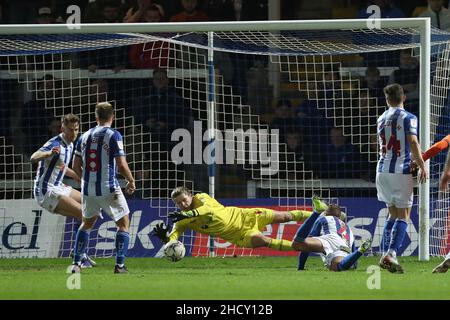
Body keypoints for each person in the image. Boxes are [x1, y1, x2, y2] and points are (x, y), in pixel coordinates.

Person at [70, 102, 136, 274]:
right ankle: (119, 266)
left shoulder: (84, 136)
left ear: (96, 117)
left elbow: (75, 165)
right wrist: (131, 180)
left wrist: (85, 180)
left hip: (88, 189)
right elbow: (121, 164)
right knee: (123, 223)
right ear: (113, 116)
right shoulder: (114, 135)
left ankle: (76, 263)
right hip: (109, 187)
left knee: (86, 224)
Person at [152, 186, 325, 251]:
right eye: (178, 203)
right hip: (239, 236)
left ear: (190, 196)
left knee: (285, 216)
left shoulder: (202, 198)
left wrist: (187, 214)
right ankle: (305, 247)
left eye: (184, 200)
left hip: (246, 216)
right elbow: (173, 239)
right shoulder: (181, 219)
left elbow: (207, 211)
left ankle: (323, 216)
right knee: (263, 240)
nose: (182, 204)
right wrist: (166, 240)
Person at [31, 113, 95, 267]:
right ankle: (79, 255)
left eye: (76, 129)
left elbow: (60, 165)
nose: (73, 133)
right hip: (46, 190)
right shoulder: (55, 143)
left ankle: (78, 251)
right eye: (70, 129)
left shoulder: (71, 144)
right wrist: (48, 153)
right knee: (83, 214)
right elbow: (34, 157)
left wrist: (75, 175)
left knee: (91, 206)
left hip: (59, 186)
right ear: (62, 128)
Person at [376, 83, 427, 274]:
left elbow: (389, 144)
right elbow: (412, 142)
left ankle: (384, 252)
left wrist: (415, 155)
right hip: (400, 171)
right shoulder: (409, 117)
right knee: (404, 215)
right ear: (404, 97)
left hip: (382, 171)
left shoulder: (381, 118)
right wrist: (422, 165)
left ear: (387, 100)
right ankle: (391, 253)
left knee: (393, 214)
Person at [291, 199, 372, 272]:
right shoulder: (348, 228)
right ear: (340, 216)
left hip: (329, 239)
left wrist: (301, 267)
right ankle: (360, 251)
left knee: (298, 243)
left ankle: (316, 212)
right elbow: (352, 251)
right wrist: (353, 263)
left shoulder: (323, 219)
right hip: (345, 249)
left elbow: (306, 246)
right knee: (338, 266)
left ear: (325, 213)